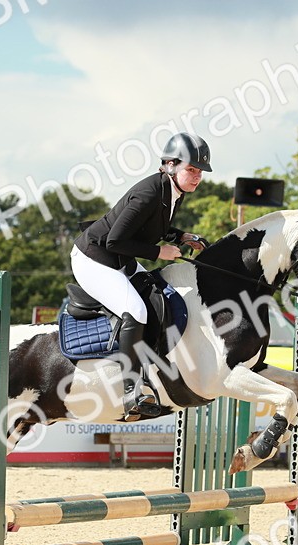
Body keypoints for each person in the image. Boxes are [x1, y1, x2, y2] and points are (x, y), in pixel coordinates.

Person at [71, 131, 212, 420]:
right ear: (171, 165)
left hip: (119, 257)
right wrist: (160, 253)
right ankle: (130, 389)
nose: (197, 177)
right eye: (192, 170)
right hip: (94, 258)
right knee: (135, 310)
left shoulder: (172, 191)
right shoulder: (149, 192)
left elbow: (151, 229)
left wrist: (181, 236)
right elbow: (114, 240)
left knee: (157, 297)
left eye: (200, 172)